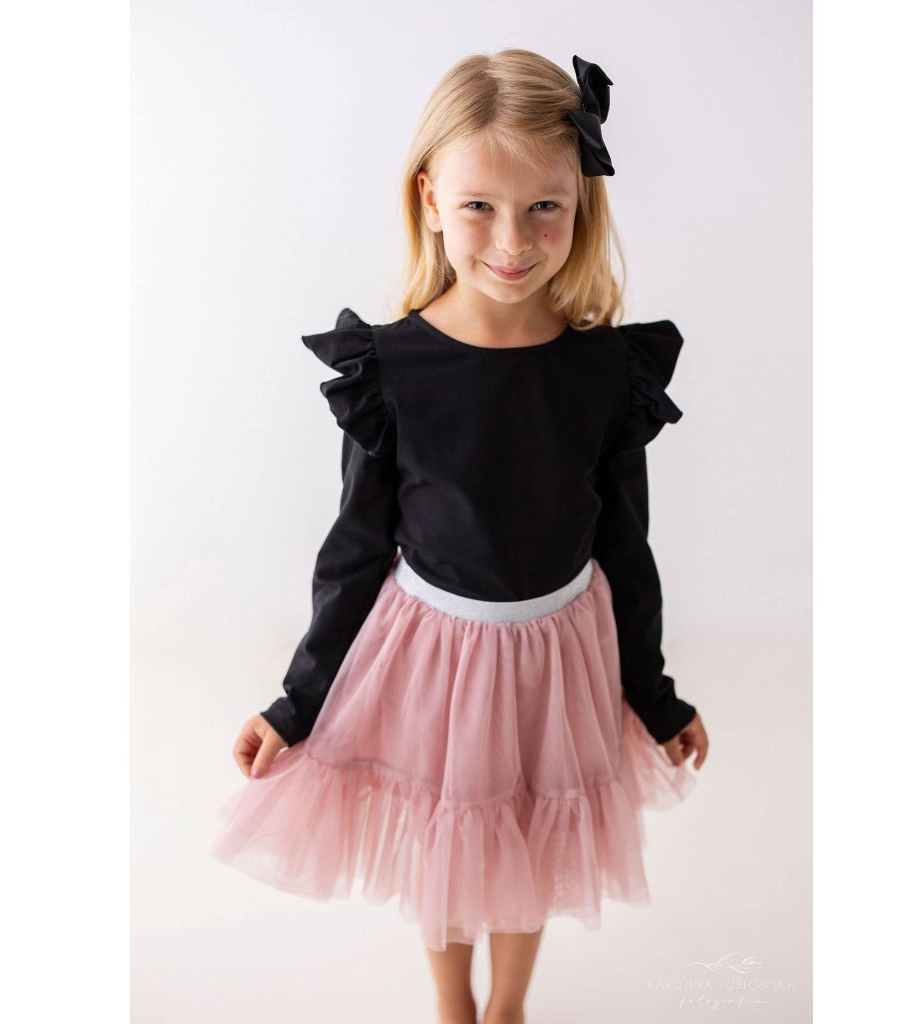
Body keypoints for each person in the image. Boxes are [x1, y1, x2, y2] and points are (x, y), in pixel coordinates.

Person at [209, 48, 710, 1024]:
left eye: (544, 206)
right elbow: (354, 552)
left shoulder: (607, 372)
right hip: (438, 656)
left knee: (534, 832)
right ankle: (452, 1006)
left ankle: (508, 1007)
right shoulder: (390, 372)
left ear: (581, 204)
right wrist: (295, 704)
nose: (513, 240)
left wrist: (652, 695)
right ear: (430, 200)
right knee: (454, 836)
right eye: (480, 205)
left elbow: (626, 547)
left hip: (561, 652)